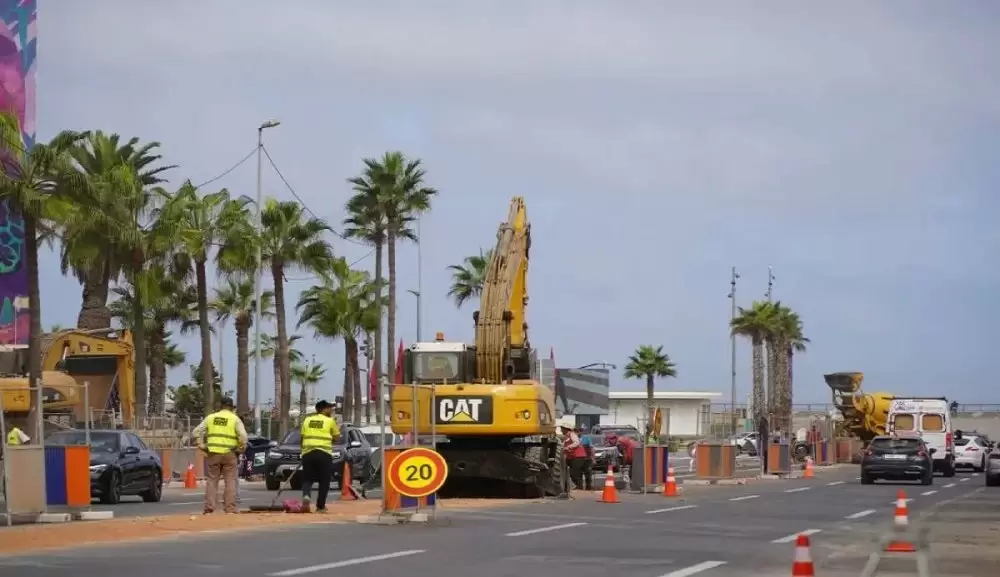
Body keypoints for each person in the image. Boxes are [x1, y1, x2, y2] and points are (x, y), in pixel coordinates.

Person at [192, 397, 248, 514]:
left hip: (213, 453)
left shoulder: (211, 417)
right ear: (232, 407)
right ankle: (230, 508)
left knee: (212, 480)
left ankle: (209, 508)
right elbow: (243, 436)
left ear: (220, 406)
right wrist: (241, 448)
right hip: (230, 453)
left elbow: (196, 432)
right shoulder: (234, 419)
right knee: (230, 481)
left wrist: (201, 444)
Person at [300, 400, 341, 513]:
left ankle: (306, 495)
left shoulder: (307, 420)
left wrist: (303, 452)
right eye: (329, 408)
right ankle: (320, 506)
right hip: (324, 453)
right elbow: (337, 437)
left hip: (308, 453)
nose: (331, 410)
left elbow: (302, 437)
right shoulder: (330, 421)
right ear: (323, 409)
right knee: (324, 480)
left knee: (307, 478)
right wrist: (331, 439)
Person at [563, 425, 587, 489]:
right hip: (572, 457)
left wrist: (568, 447)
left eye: (562, 429)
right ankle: (577, 486)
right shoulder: (566, 437)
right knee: (570, 472)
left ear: (566, 429)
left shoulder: (572, 434)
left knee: (573, 472)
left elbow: (576, 442)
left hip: (578, 456)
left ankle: (578, 486)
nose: (561, 430)